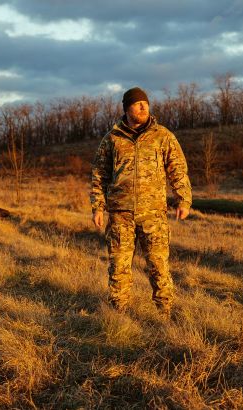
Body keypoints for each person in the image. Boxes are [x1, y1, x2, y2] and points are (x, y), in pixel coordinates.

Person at [90, 86, 192, 318]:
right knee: (119, 267)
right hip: (120, 215)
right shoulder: (112, 139)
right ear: (127, 108)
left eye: (145, 103)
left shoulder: (163, 136)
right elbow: (99, 175)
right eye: (138, 104)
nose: (144, 107)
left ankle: (164, 314)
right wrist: (98, 206)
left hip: (153, 214)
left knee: (158, 266)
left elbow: (178, 170)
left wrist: (183, 200)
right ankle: (119, 315)